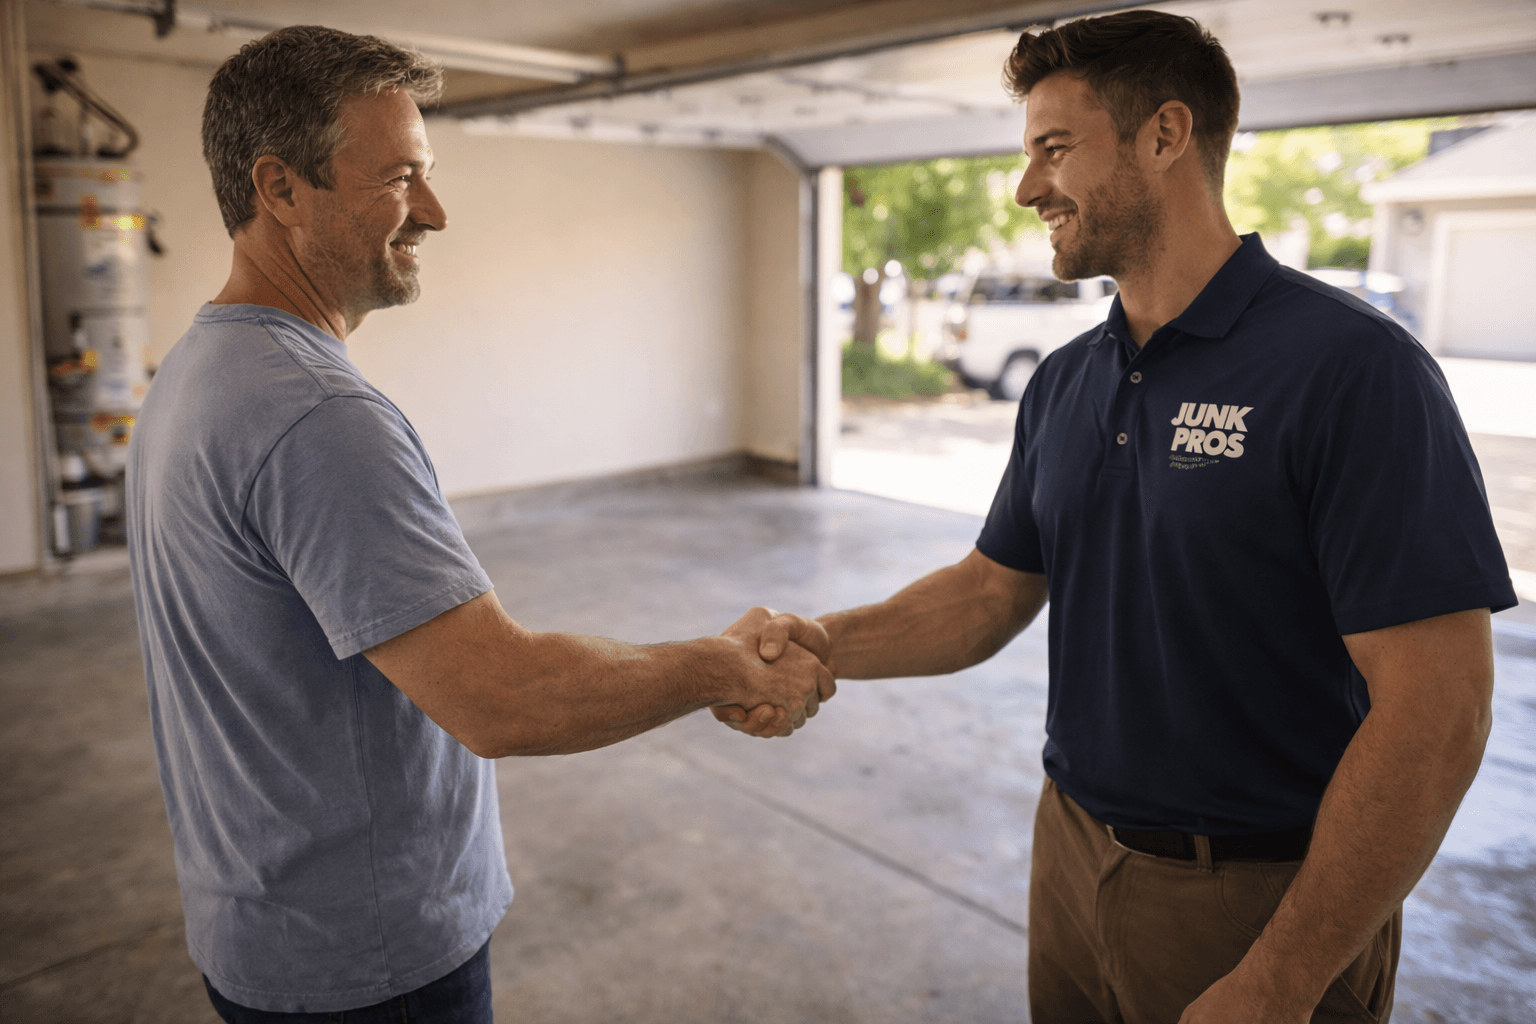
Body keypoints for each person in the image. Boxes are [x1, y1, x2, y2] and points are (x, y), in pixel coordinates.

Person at [723, 10, 1516, 1022]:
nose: (1026, 187)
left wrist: (1281, 977)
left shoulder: (1354, 370)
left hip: (1255, 894)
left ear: (1166, 135)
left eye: (1055, 149)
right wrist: (822, 641)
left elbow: (1439, 710)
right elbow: (987, 591)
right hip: (1070, 850)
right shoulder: (1065, 381)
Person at [126, 26, 832, 1021]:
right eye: (403, 177)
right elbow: (504, 695)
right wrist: (727, 665)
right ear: (279, 189)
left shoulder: (196, 374)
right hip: (366, 961)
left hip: (263, 925)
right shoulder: (318, 414)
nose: (437, 213)